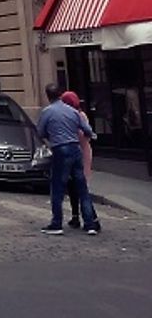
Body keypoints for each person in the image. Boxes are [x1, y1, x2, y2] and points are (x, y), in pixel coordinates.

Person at [36, 82, 99, 236]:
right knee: (82, 188)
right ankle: (90, 224)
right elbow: (88, 130)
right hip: (75, 149)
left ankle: (56, 223)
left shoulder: (47, 112)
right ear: (60, 94)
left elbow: (40, 132)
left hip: (60, 148)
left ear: (48, 96)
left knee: (57, 187)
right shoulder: (73, 112)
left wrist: (51, 136)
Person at [61, 90, 98, 231]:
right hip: (79, 152)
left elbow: (84, 135)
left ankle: (93, 220)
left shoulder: (77, 116)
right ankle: (76, 216)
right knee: (72, 187)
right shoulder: (76, 115)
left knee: (81, 188)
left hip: (79, 154)